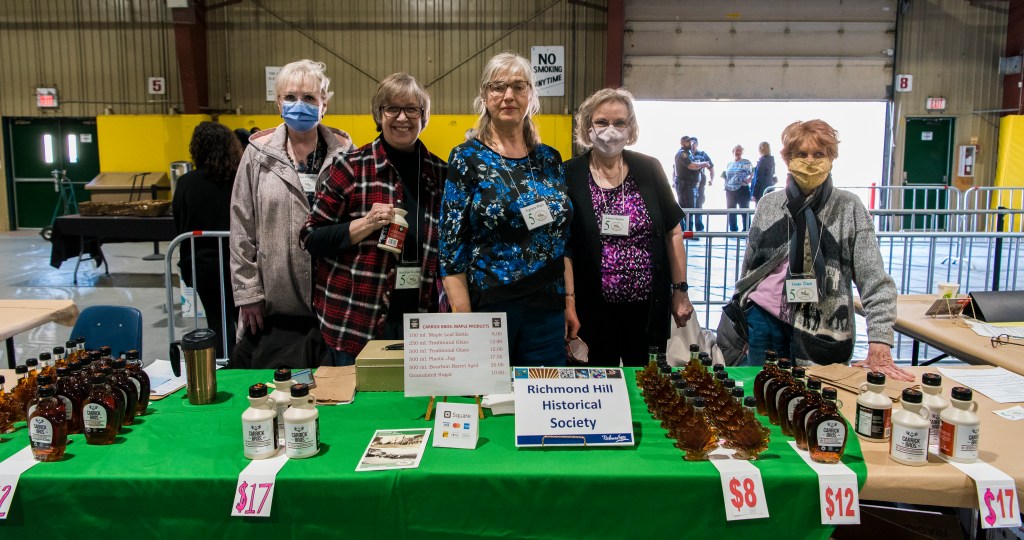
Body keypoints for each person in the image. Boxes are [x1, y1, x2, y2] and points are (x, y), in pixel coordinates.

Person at [724, 119, 912, 381]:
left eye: (819, 154)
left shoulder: (848, 207)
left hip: (823, 326)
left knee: (816, 402)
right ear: (788, 158)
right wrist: (744, 306)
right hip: (764, 320)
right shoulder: (769, 205)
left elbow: (875, 278)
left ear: (831, 158)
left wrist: (880, 338)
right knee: (763, 397)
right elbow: (750, 267)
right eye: (801, 154)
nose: (810, 161)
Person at [300, 73, 446, 366]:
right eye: (392, 108)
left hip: (420, 323)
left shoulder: (440, 174)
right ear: (379, 114)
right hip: (356, 321)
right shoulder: (352, 167)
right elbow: (311, 237)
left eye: (412, 109)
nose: (402, 118)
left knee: (412, 411)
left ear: (424, 116)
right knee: (357, 411)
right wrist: (365, 224)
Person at [438, 52, 572, 367]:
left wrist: (569, 301)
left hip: (548, 307)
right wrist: (463, 319)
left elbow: (564, 238)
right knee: (491, 402)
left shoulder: (549, 158)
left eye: (518, 86)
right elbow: (450, 245)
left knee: (545, 399)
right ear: (485, 96)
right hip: (492, 307)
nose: (508, 95)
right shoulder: (467, 157)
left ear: (531, 95)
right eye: (498, 87)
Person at [230, 59, 354, 369]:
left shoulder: (347, 154)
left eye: (310, 98)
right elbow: (241, 225)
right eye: (290, 97)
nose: (300, 105)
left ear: (324, 104)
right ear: (278, 103)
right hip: (274, 308)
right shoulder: (257, 155)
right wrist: (248, 293)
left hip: (335, 306)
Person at [563, 88, 693, 366]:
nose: (611, 130)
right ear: (588, 127)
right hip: (593, 309)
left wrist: (680, 290)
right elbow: (565, 246)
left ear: (631, 128)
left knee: (647, 386)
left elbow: (673, 231)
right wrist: (569, 300)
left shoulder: (649, 169)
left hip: (646, 309)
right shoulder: (569, 174)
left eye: (619, 122)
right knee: (598, 388)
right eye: (601, 122)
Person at [172, 121, 241, 358]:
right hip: (240, 262)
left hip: (203, 264)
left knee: (216, 319)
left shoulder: (186, 183)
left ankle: (223, 367)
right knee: (245, 319)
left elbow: (180, 224)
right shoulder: (240, 180)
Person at [673, 136, 710, 234]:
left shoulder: (688, 153)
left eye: (691, 142)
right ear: (683, 143)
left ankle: (687, 231)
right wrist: (704, 164)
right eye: (688, 142)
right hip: (685, 185)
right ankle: (687, 232)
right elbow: (691, 165)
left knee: (690, 208)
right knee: (688, 209)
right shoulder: (683, 154)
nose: (691, 144)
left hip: (690, 185)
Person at [721, 144, 754, 232]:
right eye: (736, 150)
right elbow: (725, 175)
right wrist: (725, 185)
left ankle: (746, 230)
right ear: (733, 152)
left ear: (742, 152)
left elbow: (753, 173)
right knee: (731, 211)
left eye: (739, 150)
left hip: (742, 189)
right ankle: (733, 230)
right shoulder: (729, 164)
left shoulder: (746, 162)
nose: (738, 152)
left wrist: (747, 181)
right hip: (730, 190)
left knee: (744, 210)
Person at [690, 137, 714, 231]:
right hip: (688, 185)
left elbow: (711, 168)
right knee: (689, 206)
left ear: (697, 144)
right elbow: (675, 169)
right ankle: (689, 229)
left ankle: (699, 228)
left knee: (699, 205)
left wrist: (712, 180)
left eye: (694, 143)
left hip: (700, 184)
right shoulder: (685, 155)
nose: (692, 145)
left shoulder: (703, 155)